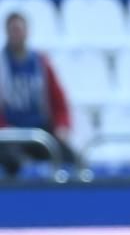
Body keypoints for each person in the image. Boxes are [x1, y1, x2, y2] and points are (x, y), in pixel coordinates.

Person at [0, 12, 77, 175]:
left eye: (20, 29)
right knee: (12, 162)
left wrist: (62, 126)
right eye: (13, 29)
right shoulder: (2, 64)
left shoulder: (41, 64)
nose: (17, 33)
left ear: (27, 31)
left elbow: (58, 99)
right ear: (6, 32)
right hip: (8, 133)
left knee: (71, 159)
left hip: (40, 129)